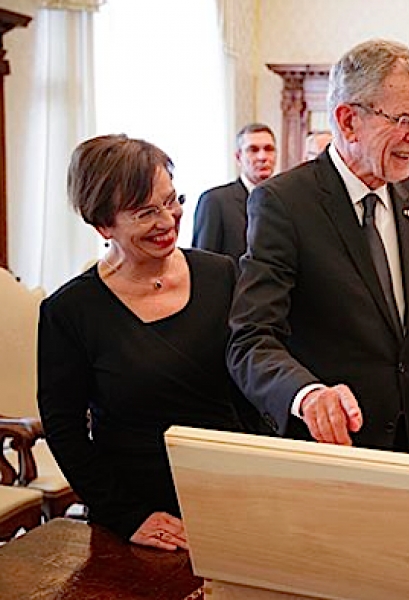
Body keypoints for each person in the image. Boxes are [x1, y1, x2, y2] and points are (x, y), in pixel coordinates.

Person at [228, 39, 409, 458]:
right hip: (333, 450)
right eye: (405, 119)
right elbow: (250, 339)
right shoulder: (285, 203)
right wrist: (307, 394)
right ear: (349, 121)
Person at [38, 134, 268, 551]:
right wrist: (126, 517)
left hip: (234, 492)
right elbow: (64, 429)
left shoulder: (222, 275)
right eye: (146, 212)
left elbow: (251, 387)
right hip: (141, 516)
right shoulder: (69, 310)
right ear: (103, 224)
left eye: (172, 200)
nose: (168, 220)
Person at [192, 123, 277, 261]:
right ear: (238, 157)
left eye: (269, 149)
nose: (262, 157)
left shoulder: (284, 199)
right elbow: (203, 263)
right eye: (253, 150)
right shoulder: (215, 201)